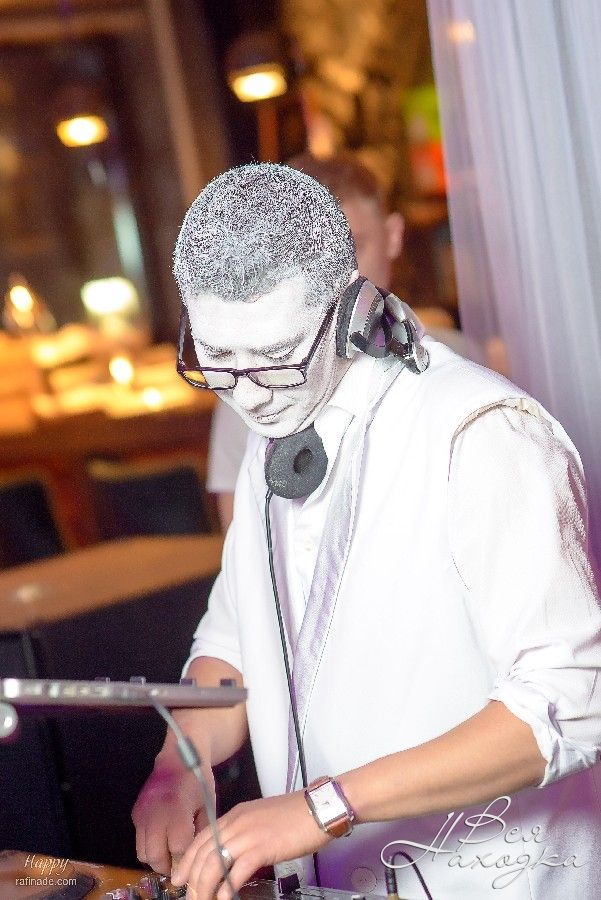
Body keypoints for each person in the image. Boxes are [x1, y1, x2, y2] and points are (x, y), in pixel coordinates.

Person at [132, 163, 601, 900]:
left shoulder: (483, 432)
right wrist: (178, 765)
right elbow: (233, 646)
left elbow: (570, 703)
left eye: (277, 360)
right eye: (217, 362)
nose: (250, 398)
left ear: (351, 311)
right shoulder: (272, 431)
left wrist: (321, 808)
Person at [207, 152, 480, 531]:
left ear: (393, 235)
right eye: (307, 255)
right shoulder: (251, 386)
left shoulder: (461, 359)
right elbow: (240, 540)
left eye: (351, 246)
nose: (334, 276)